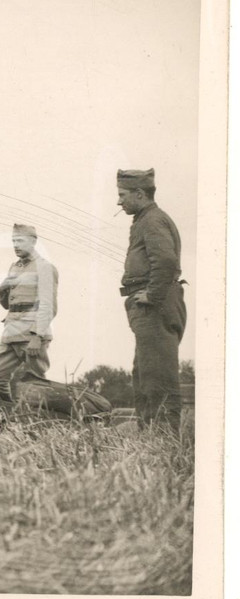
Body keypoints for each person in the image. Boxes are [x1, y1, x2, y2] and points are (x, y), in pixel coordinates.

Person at [116, 168, 186, 425]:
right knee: (146, 375)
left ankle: (163, 441)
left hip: (155, 306)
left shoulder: (153, 220)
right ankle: (151, 439)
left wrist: (153, 295)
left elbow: (166, 260)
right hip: (149, 305)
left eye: (122, 194)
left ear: (139, 194)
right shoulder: (146, 220)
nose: (119, 201)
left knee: (157, 378)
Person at [0, 224, 59, 400]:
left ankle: (39, 425)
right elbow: (8, 304)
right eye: (13, 241)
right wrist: (3, 290)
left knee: (36, 384)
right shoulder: (14, 267)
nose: (15, 245)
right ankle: (7, 421)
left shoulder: (44, 267)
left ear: (33, 241)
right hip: (11, 332)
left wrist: (37, 335)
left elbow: (48, 305)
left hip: (31, 334)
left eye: (20, 240)